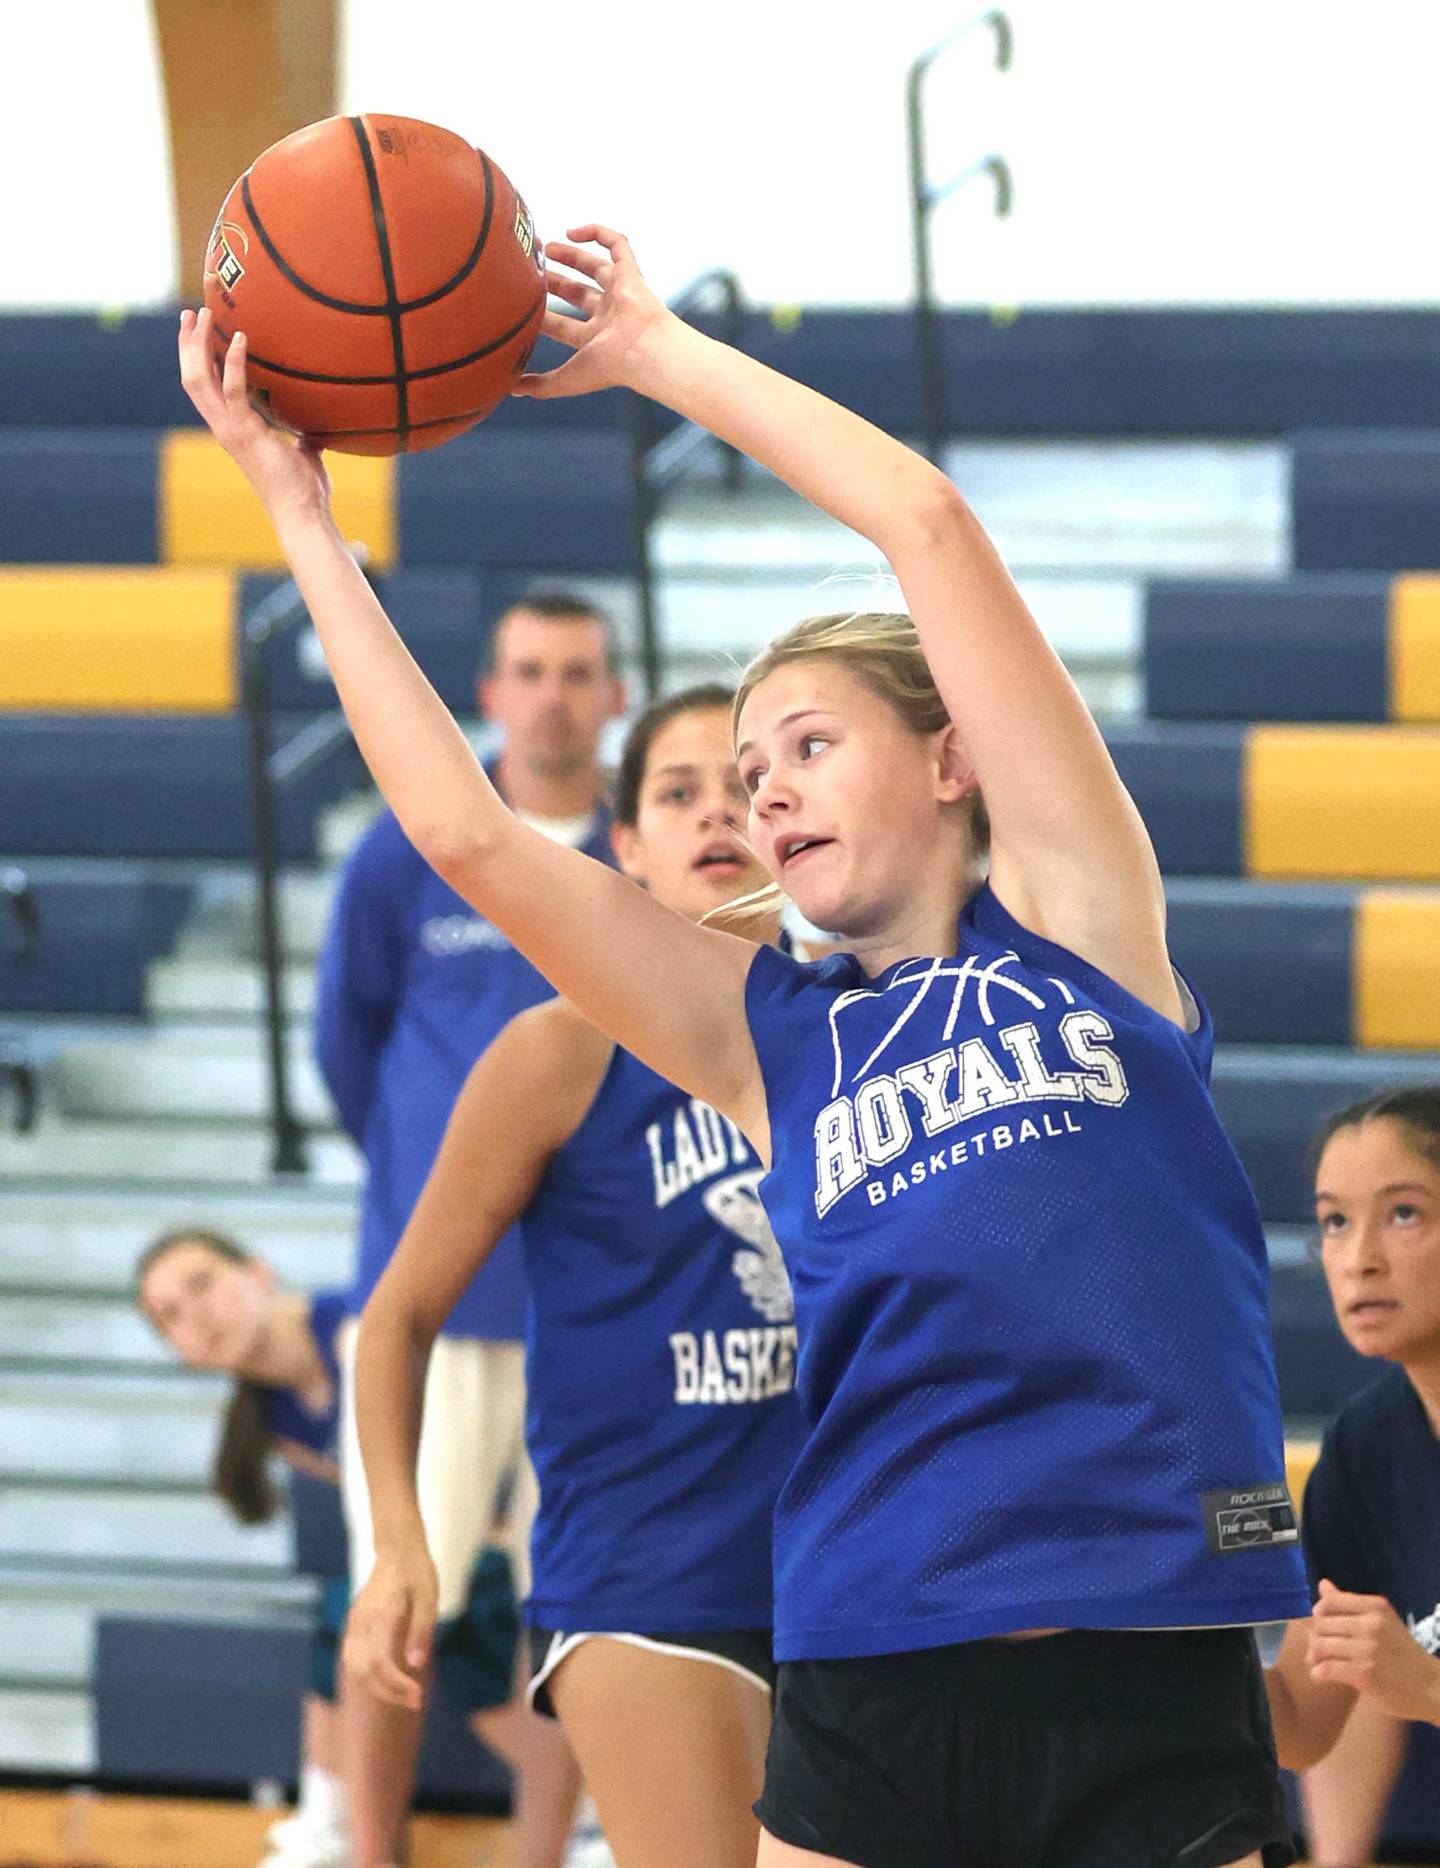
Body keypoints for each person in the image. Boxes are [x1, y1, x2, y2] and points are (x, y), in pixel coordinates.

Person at [179, 217, 1311, 1868]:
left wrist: (653, 352)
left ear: (948, 762)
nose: (763, 786)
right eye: (744, 765)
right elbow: (473, 838)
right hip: (870, 1666)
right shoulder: (763, 1033)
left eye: (804, 741)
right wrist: (294, 507)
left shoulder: (1080, 918)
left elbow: (923, 518)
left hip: (1145, 1642)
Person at [343, 684, 804, 1868]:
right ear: (628, 846)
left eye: (745, 787)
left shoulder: (868, 1026)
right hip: (646, 1573)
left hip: (856, 1561)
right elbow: (396, 1316)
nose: (720, 814)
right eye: (678, 791)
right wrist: (401, 1538)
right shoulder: (555, 1051)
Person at [313, 589, 624, 1868]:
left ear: (614, 696)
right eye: (530, 671)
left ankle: (539, 1852)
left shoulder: (643, 853)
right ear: (489, 693)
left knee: (579, 1612)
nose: (553, 693)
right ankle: (366, 1848)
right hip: (431, 1302)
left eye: (578, 672)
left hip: (593, 1308)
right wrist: (434, 1189)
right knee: (393, 1603)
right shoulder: (405, 850)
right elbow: (349, 1047)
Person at [136, 1227, 352, 1868]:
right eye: (169, 1316)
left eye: (201, 1284)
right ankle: (328, 1822)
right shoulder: (278, 1421)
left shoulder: (354, 1322)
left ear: (259, 1272)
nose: (195, 1316)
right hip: (456, 1550)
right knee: (342, 1617)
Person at [1262, 1086, 1440, 1864]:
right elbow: (1301, 1723)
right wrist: (1169, 1612)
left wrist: (1427, 1688)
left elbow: (1411, 1683)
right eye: (1336, 1220)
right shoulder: (1367, 1449)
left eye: (1405, 1213)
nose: (1360, 1257)